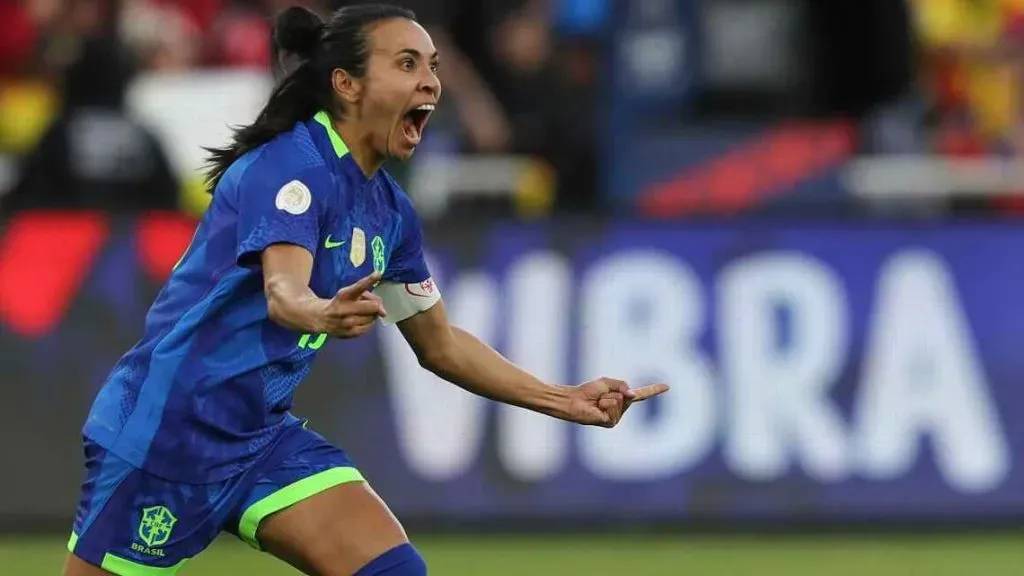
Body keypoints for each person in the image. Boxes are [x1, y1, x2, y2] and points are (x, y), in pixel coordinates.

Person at [63, 5, 669, 576]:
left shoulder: (389, 211)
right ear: (347, 85)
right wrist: (321, 312)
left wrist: (564, 400)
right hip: (165, 435)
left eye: (432, 65)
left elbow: (442, 346)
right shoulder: (294, 167)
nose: (430, 81)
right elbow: (283, 291)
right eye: (406, 63)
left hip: (259, 441)